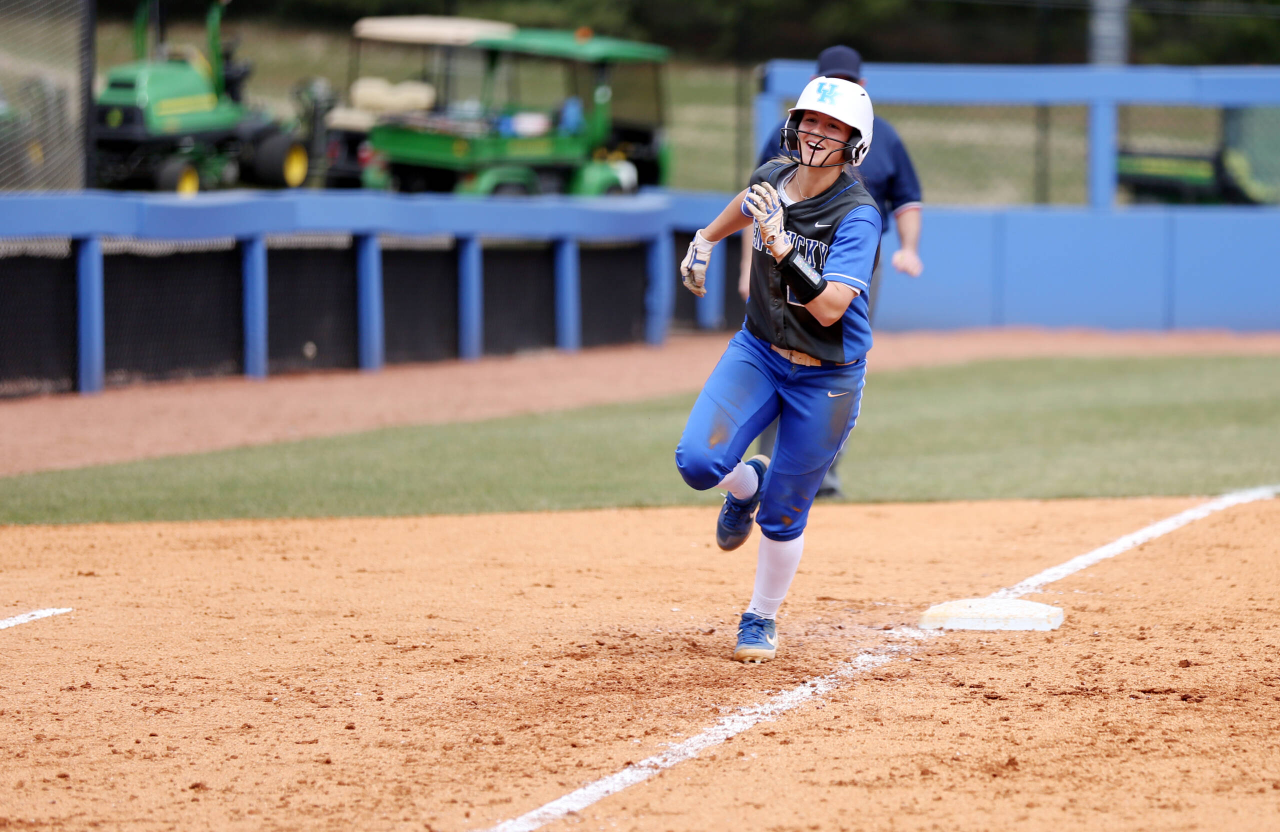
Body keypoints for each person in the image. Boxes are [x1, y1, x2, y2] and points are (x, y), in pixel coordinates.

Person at [675, 76, 881, 664]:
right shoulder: (772, 175)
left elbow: (831, 307)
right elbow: (751, 200)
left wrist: (783, 248)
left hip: (828, 374)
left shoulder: (857, 214)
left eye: (833, 127)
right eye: (811, 121)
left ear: (854, 142)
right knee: (697, 461)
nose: (817, 133)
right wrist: (707, 238)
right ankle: (746, 485)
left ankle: (759, 617)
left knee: (787, 513)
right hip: (760, 351)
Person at [742, 46, 924, 498]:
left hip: (852, 265)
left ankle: (822, 474)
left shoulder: (885, 138)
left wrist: (910, 248)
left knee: (834, 356)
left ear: (863, 87)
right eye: (831, 80)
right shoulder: (793, 132)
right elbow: (759, 197)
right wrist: (749, 263)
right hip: (784, 253)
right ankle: (768, 465)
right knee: (775, 352)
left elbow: (907, 198)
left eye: (848, 80)